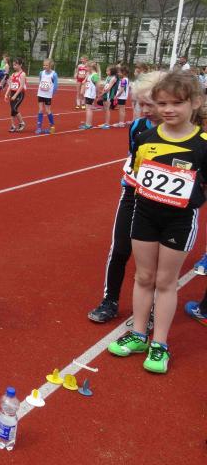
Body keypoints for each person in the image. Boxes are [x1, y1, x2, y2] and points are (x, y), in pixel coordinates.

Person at [108, 70, 207, 374]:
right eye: (162, 103)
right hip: (145, 216)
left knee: (165, 282)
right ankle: (139, 335)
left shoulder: (203, 143)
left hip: (179, 221)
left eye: (177, 103)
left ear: (195, 102)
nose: (168, 109)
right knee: (143, 276)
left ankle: (159, 343)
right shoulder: (145, 138)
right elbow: (138, 176)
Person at [87, 72, 164, 324]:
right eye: (140, 104)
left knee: (154, 260)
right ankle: (109, 300)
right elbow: (134, 157)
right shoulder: (138, 126)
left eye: (150, 104)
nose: (144, 110)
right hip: (132, 193)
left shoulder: (183, 133)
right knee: (120, 248)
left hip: (164, 203)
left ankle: (151, 308)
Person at [35, 58, 58, 134]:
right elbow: (40, 81)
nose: (44, 66)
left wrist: (52, 93)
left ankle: (52, 126)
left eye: (46, 65)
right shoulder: (41, 73)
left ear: (50, 66)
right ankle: (39, 127)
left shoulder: (54, 74)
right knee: (40, 109)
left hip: (48, 95)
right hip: (40, 93)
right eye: (44, 65)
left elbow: (55, 85)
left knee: (48, 110)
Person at [4, 57, 27, 132]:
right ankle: (13, 126)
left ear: (20, 65)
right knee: (12, 110)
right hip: (12, 93)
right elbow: (10, 85)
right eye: (13, 65)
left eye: (16, 65)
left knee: (14, 108)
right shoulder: (13, 74)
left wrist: (15, 95)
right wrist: (6, 94)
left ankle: (22, 123)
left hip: (19, 94)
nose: (14, 66)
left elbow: (21, 86)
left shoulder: (22, 74)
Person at [79, 62, 100, 130]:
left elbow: (97, 86)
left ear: (91, 67)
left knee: (89, 109)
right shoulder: (90, 74)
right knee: (88, 108)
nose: (85, 68)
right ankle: (88, 123)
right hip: (88, 93)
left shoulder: (95, 75)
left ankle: (88, 124)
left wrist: (97, 94)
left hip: (91, 94)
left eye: (87, 67)